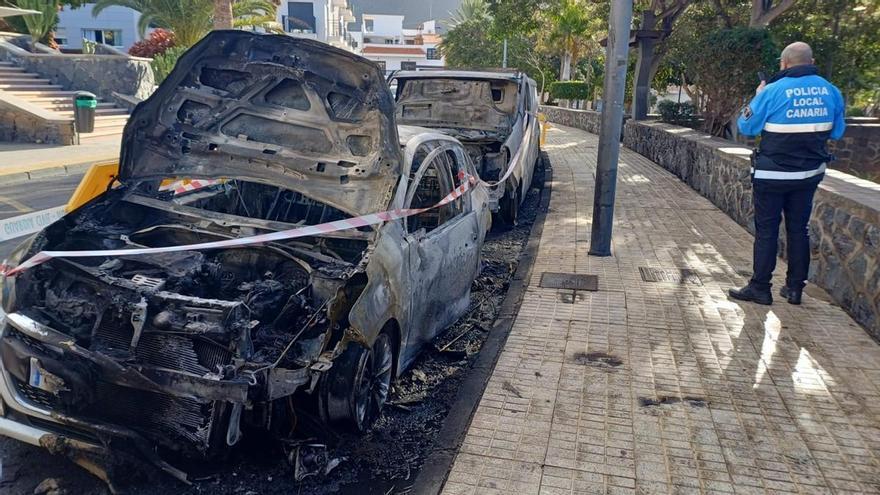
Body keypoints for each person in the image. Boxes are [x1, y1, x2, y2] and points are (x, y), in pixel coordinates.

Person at [729, 42, 846, 306]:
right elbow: (837, 132)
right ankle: (795, 289)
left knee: (767, 230)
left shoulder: (772, 91)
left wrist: (758, 95)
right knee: (799, 229)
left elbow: (747, 126)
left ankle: (760, 287)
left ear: (784, 64)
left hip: (772, 175)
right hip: (808, 175)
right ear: (811, 61)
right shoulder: (831, 91)